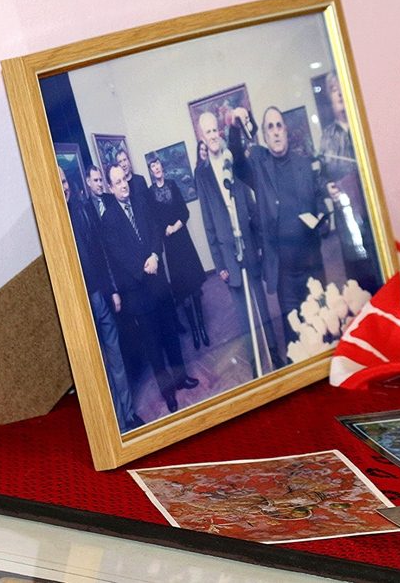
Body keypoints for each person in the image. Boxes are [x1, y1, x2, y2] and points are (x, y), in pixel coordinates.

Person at [100, 163, 198, 414]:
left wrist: (155, 255)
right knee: (153, 345)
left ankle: (181, 378)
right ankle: (168, 392)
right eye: (117, 182)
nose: (123, 185)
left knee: (170, 335)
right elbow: (117, 254)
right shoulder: (108, 219)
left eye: (124, 180)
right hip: (138, 292)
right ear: (110, 188)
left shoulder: (141, 202)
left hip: (159, 284)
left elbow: (155, 230)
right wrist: (143, 267)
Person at [229, 106, 328, 345]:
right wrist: (234, 127)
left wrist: (323, 215)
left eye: (279, 126)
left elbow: (319, 200)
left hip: (312, 264)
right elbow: (238, 162)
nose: (275, 132)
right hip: (284, 273)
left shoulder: (304, 164)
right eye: (270, 127)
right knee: (295, 335)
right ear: (264, 135)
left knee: (322, 325)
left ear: (286, 131)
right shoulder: (259, 168)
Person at [195, 111, 285, 371]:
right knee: (243, 314)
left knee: (262, 306)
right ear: (202, 137)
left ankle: (273, 353)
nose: (213, 135)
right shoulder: (201, 174)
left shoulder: (232, 158)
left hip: (249, 244)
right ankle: (255, 359)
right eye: (208, 132)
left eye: (215, 130)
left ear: (219, 131)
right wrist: (219, 263)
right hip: (228, 254)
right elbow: (207, 220)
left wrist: (260, 243)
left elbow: (251, 204)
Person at [60, 166, 143, 432]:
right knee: (99, 364)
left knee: (115, 356)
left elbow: (101, 254)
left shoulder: (82, 210)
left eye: (65, 181)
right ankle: (115, 421)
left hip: (101, 296)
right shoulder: (51, 223)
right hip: (77, 303)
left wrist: (113, 289)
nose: (64, 187)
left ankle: (128, 414)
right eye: (58, 183)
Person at [318, 71, 381, 294]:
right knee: (361, 277)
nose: (339, 94)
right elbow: (321, 177)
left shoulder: (364, 124)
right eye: (334, 90)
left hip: (375, 213)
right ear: (329, 98)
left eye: (342, 88)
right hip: (348, 220)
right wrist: (327, 187)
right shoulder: (327, 137)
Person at [146, 156, 209, 350]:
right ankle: (195, 332)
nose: (156, 167)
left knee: (194, 287)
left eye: (158, 164)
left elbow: (185, 212)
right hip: (170, 247)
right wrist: (165, 229)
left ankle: (202, 328)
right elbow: (153, 221)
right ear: (151, 171)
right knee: (183, 291)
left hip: (184, 241)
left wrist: (175, 226)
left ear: (162, 166)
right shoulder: (149, 193)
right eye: (152, 166)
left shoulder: (173, 185)